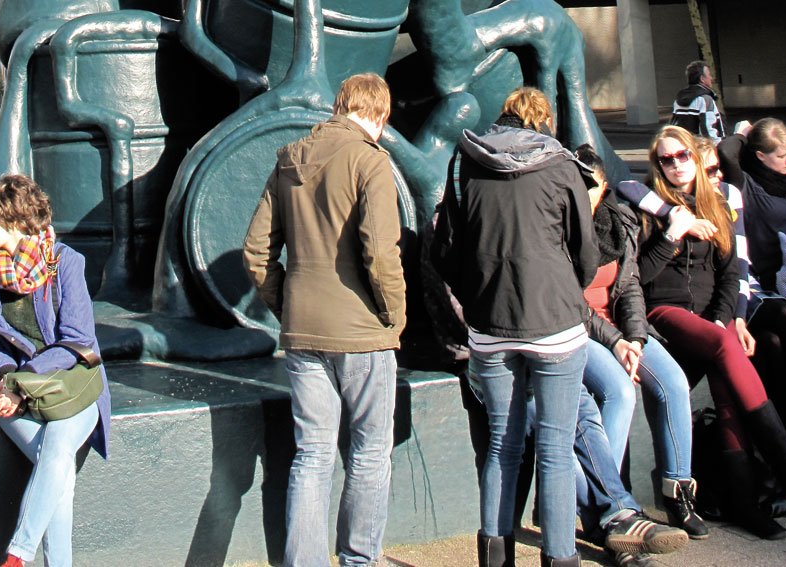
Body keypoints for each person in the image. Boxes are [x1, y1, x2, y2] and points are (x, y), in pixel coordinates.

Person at [243, 73, 405, 567]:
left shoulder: (289, 158)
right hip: (363, 333)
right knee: (370, 453)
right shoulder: (370, 161)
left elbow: (255, 253)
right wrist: (393, 317)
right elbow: (381, 253)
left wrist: (286, 307)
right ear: (378, 115)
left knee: (311, 455)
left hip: (302, 331)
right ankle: (358, 559)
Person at [431, 86, 596, 567]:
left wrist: (478, 292)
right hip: (556, 324)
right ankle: (560, 557)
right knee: (555, 447)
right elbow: (586, 252)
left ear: (501, 118)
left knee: (502, 444)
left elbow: (445, 248)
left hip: (490, 325)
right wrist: (564, 288)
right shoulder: (562, 165)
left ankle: (495, 557)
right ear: (542, 121)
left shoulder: (465, 162)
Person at [632, 125, 786, 540]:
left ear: (695, 160)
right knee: (723, 345)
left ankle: (742, 500)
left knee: (726, 378)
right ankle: (784, 461)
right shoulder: (646, 204)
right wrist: (671, 233)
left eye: (683, 156)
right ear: (657, 164)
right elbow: (637, 277)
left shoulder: (717, 204)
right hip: (663, 311)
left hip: (708, 319)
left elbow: (730, 275)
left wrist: (725, 317)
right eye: (667, 159)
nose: (677, 164)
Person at [0, 174, 110, 567]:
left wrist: (22, 382)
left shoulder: (65, 262)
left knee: (57, 449)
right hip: (13, 393)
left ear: (14, 223)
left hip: (71, 388)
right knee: (59, 468)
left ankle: (17, 554)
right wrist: (6, 381)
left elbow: (77, 339)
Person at [573, 145, 706, 539]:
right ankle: (606, 507)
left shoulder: (620, 219)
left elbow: (629, 285)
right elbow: (569, 303)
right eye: (577, 187)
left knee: (673, 384)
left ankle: (678, 493)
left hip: (622, 327)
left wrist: (634, 336)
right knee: (620, 393)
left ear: (603, 187)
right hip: (583, 330)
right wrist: (617, 343)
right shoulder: (558, 226)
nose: (585, 195)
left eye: (591, 187)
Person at [715, 120, 786, 456]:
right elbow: (725, 150)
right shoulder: (744, 183)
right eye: (781, 155)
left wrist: (778, 126)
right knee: (774, 346)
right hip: (766, 286)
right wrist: (745, 134)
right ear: (760, 156)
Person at [669, 62, 724, 143]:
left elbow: (674, 125)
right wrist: (717, 146)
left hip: (684, 146)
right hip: (701, 149)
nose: (711, 78)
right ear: (702, 78)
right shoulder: (705, 99)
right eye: (709, 75)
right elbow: (709, 130)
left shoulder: (678, 98)